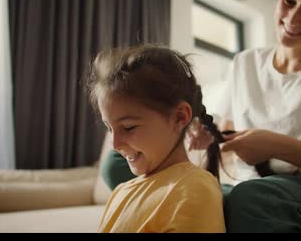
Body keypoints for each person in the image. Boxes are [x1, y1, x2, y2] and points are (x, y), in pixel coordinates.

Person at [101, 0, 301, 233]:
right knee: (117, 163)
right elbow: (226, 132)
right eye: (288, 1)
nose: (292, 17)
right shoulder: (246, 63)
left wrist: (276, 145)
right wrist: (205, 136)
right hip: (249, 188)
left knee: (249, 199)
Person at [86, 44, 226, 233]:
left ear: (179, 117)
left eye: (128, 127)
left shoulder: (193, 189)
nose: (116, 144)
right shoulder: (120, 192)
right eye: (109, 128)